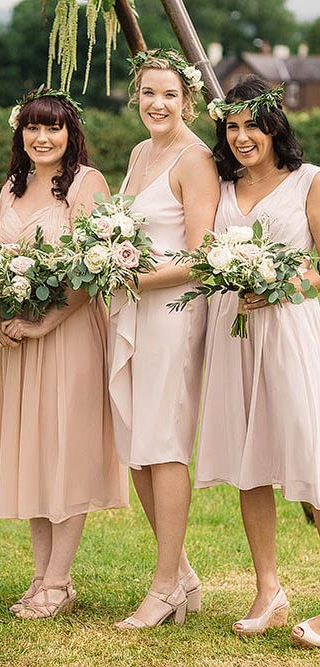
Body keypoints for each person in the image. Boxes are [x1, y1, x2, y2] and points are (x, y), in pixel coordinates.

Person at [0, 87, 128, 620]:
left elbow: (97, 266)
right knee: (36, 449)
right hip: (18, 340)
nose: (42, 138)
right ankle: (40, 575)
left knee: (66, 449)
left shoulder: (87, 184)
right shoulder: (9, 188)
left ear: (71, 134)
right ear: (20, 133)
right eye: (32, 128)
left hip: (67, 334)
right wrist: (2, 320)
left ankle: (61, 581)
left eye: (53, 128)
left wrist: (46, 323)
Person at [195, 76, 320, 643]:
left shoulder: (309, 182)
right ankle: (268, 589)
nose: (242, 137)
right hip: (235, 335)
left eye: (253, 124)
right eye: (233, 126)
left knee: (312, 461)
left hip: (291, 332)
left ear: (275, 126)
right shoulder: (219, 189)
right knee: (250, 464)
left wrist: (286, 282)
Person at [108, 49, 219, 629]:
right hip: (131, 308)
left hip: (172, 312)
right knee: (135, 444)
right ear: (137, 95)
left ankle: (163, 587)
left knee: (165, 442)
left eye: (169, 94)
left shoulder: (195, 159)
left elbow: (202, 256)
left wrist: (135, 277)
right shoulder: (137, 153)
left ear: (187, 99)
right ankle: (182, 575)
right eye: (149, 92)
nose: (158, 104)